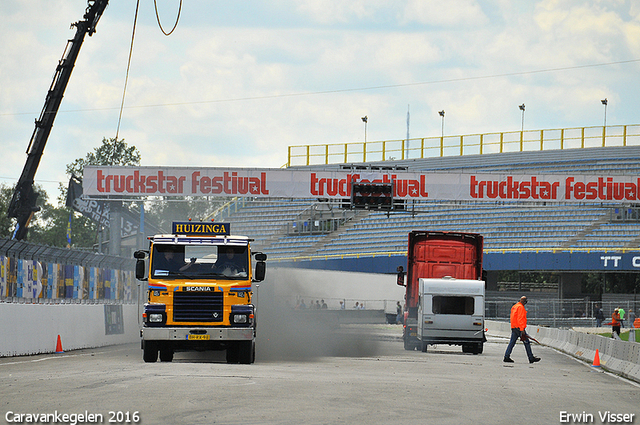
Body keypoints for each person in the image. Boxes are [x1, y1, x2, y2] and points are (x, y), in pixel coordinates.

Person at [504, 296, 540, 364]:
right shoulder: (520, 307)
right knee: (527, 343)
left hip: (514, 327)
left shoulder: (515, 306)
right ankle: (531, 358)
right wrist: (522, 329)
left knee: (512, 342)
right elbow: (520, 318)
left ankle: (506, 356)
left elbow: (512, 317)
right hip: (519, 328)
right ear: (524, 301)